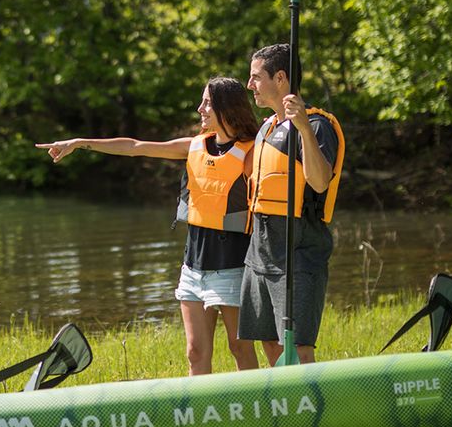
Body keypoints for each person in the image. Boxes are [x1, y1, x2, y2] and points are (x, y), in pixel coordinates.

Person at [36, 77, 260, 376]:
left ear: (226, 107)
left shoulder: (251, 153)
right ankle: (198, 417)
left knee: (240, 348)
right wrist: (79, 143)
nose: (200, 108)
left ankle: (254, 412)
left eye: (207, 102)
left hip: (232, 266)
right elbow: (135, 146)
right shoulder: (193, 146)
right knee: (195, 353)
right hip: (193, 267)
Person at [240, 44, 344, 366]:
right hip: (261, 250)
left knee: (297, 349)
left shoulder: (315, 126)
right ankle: (285, 411)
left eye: (256, 77)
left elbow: (319, 181)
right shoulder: (267, 127)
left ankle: (311, 413)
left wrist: (302, 129)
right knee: (270, 342)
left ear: (281, 78)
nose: (250, 85)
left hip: (297, 251)